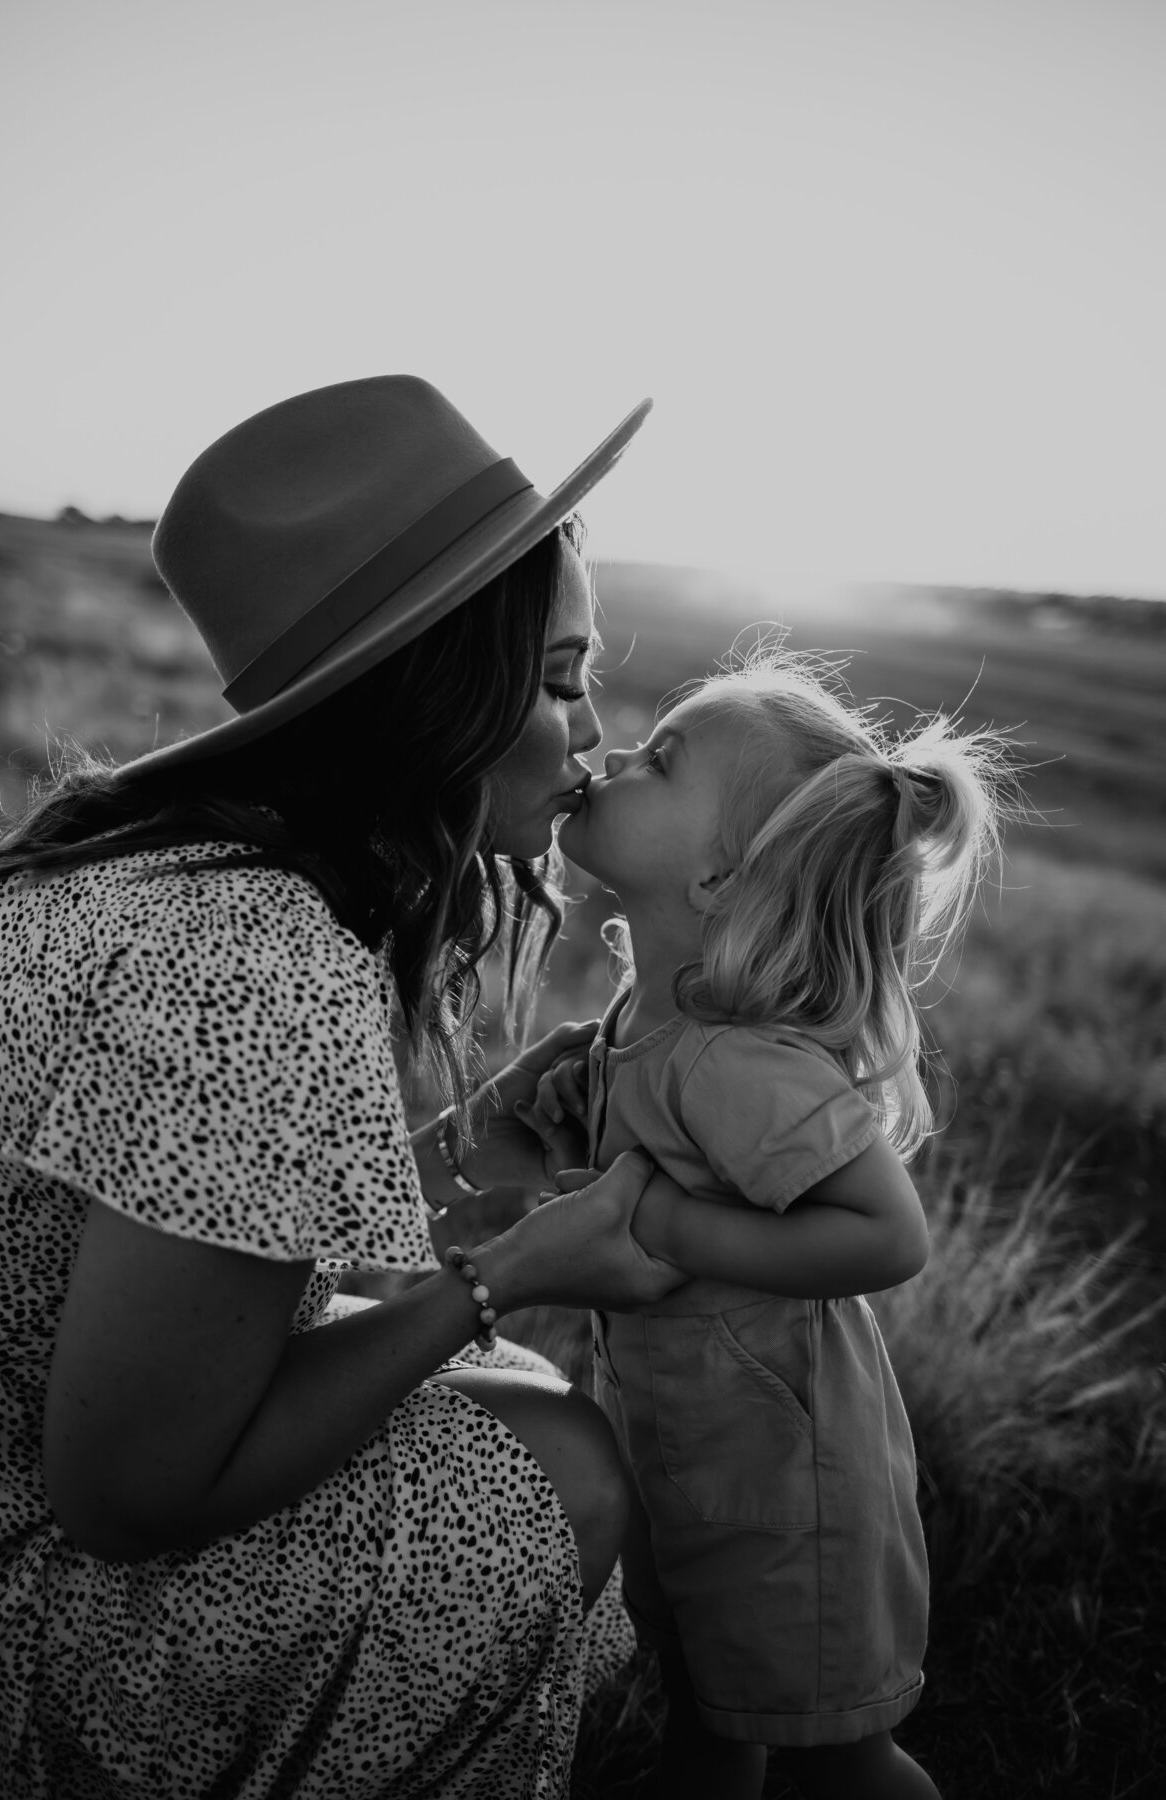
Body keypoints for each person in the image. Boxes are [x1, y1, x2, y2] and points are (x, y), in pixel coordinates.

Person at [0, 376, 687, 1800]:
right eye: (556, 679)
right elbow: (129, 1497)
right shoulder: (262, 962)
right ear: (438, 693)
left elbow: (189, 1247)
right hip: (2, 1602)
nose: (593, 727)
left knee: (504, 1388)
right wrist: (493, 1277)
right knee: (559, 1458)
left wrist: (466, 1152)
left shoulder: (163, 875)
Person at [526, 644, 1012, 1799]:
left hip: (789, 1488)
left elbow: (890, 1237)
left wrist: (679, 1231)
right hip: (694, 1454)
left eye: (661, 761)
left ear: (715, 880)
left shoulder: (735, 1063)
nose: (616, 757)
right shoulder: (651, 1015)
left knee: (842, 1761)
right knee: (710, 1710)